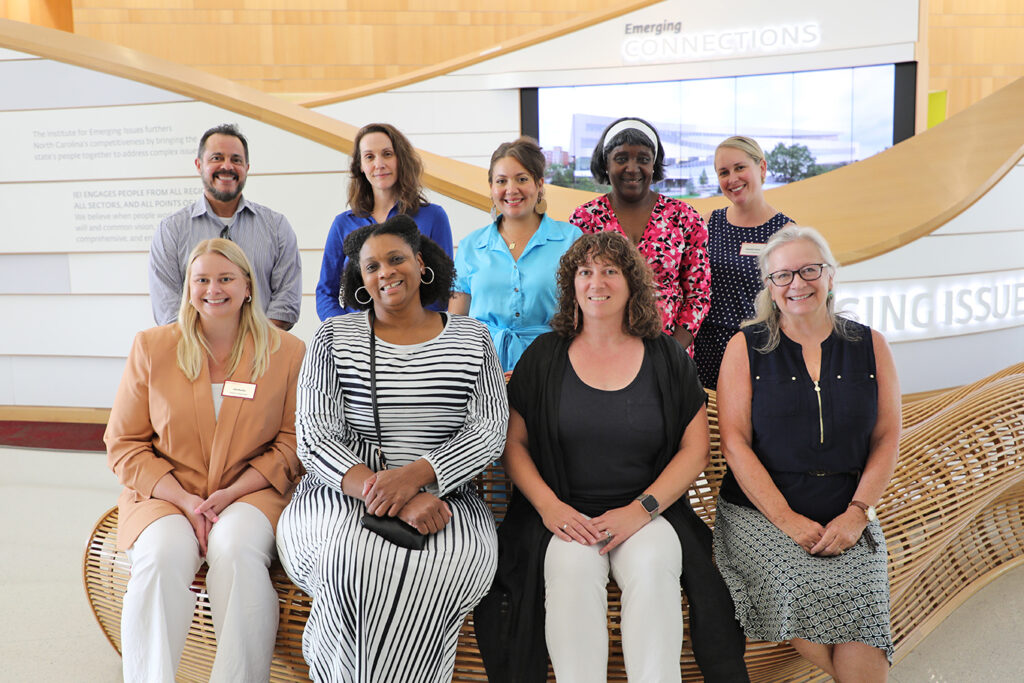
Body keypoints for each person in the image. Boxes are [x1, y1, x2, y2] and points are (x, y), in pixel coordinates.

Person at [475, 232, 749, 683]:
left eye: (609, 271)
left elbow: (695, 448)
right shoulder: (543, 356)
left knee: (653, 568)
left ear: (631, 283)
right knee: (571, 574)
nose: (595, 282)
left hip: (646, 512)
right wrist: (550, 508)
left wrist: (641, 510)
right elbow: (514, 445)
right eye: (585, 272)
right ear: (571, 285)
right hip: (565, 516)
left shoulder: (667, 355)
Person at [277, 215, 508, 682]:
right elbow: (316, 434)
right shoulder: (332, 338)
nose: (385, 272)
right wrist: (387, 494)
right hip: (340, 494)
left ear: (421, 264)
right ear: (359, 279)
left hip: (449, 498)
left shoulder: (473, 337)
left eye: (396, 259)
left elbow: (488, 430)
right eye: (371, 266)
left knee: (443, 568)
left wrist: (416, 478)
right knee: (351, 563)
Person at [106, 238, 306, 682]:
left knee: (235, 550)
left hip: (250, 491)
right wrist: (186, 502)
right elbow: (123, 443)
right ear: (188, 288)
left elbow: (293, 442)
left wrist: (229, 495)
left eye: (225, 278)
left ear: (248, 286)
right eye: (202, 280)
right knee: (161, 555)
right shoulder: (152, 347)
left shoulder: (288, 352)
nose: (213, 289)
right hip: (166, 493)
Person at [714, 225, 900, 681]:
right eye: (782, 276)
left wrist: (858, 512)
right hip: (759, 515)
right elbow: (733, 443)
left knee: (865, 616)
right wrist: (786, 518)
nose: (797, 283)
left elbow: (887, 436)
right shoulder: (745, 347)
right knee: (798, 588)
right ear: (770, 288)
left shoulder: (870, 344)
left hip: (847, 512)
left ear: (830, 277)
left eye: (809, 270)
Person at [570, 116, 710, 355]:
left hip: (671, 353)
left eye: (643, 160)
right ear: (606, 164)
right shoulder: (585, 219)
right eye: (621, 159)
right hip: (603, 352)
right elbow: (575, 292)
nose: (632, 168)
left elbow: (699, 294)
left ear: (654, 165)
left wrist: (672, 351)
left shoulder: (684, 217)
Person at [148, 124, 302, 330]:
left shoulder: (277, 227)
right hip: (192, 357)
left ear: (247, 167)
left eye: (236, 160)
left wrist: (251, 348)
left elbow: (286, 302)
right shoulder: (171, 230)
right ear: (199, 165)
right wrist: (209, 349)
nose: (227, 166)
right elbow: (167, 309)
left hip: (263, 356)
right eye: (217, 158)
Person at [449, 137, 581, 374]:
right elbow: (458, 324)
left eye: (522, 179)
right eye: (501, 181)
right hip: (484, 369)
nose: (511, 189)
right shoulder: (470, 246)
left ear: (539, 185)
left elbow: (584, 315)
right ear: (491, 188)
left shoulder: (571, 240)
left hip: (554, 366)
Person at [316, 122, 453, 320]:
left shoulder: (434, 217)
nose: (379, 164)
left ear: (401, 159)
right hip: (359, 340)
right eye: (369, 157)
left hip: (415, 339)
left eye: (387, 154)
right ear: (360, 166)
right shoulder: (342, 224)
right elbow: (325, 293)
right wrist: (345, 331)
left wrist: (418, 332)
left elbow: (442, 288)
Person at [693, 135, 794, 390]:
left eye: (740, 168)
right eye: (723, 172)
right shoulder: (707, 223)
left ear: (761, 168)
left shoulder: (786, 233)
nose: (732, 179)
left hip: (760, 353)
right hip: (707, 353)